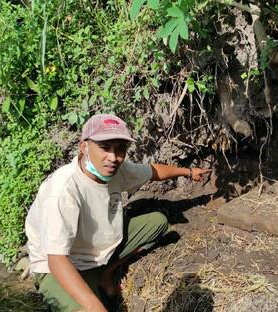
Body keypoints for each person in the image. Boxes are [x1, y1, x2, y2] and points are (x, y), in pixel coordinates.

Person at [25, 114, 211, 311]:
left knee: (158, 222)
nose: (113, 157)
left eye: (120, 149)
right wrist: (95, 307)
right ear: (84, 147)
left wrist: (188, 172)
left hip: (97, 249)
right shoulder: (63, 190)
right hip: (58, 267)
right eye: (104, 148)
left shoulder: (116, 170)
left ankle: (106, 273)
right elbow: (56, 259)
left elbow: (153, 171)